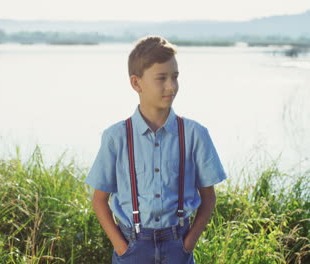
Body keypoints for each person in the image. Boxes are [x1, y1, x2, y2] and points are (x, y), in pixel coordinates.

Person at [85, 36, 227, 264]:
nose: (171, 86)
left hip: (177, 246)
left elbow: (208, 197)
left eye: (175, 77)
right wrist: (121, 247)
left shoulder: (195, 134)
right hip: (132, 247)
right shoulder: (116, 137)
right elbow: (99, 200)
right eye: (161, 78)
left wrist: (188, 244)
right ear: (136, 83)